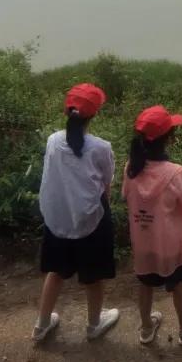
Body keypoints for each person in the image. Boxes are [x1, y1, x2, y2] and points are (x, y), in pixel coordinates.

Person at [32, 83, 119, 343]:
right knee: (93, 275)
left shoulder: (53, 141)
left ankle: (42, 324)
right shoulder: (101, 147)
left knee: (56, 271)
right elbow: (106, 183)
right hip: (90, 218)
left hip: (57, 217)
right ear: (95, 114)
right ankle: (94, 323)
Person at [122, 105, 182, 346]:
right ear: (167, 139)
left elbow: (126, 194)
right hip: (172, 246)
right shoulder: (174, 173)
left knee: (145, 285)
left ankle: (147, 329)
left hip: (144, 242)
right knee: (178, 284)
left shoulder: (131, 168)